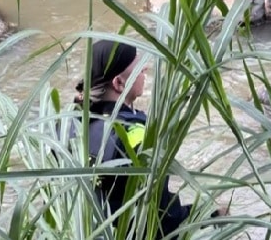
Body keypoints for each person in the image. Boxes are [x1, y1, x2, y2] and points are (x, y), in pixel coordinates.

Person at [72, 39, 228, 239]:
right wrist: (209, 214)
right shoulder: (136, 138)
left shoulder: (68, 125)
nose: (145, 69)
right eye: (140, 68)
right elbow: (163, 220)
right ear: (119, 83)